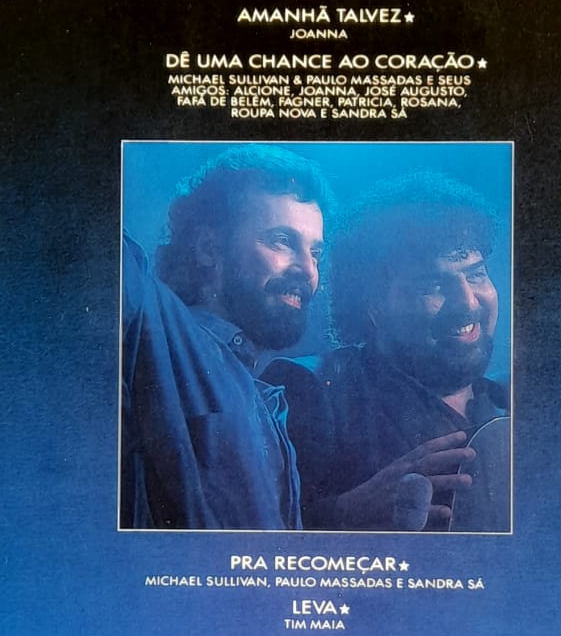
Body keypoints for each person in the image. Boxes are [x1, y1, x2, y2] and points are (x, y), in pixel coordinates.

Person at [264, 172, 509, 532]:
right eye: (432, 285)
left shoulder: (511, 401)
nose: (468, 302)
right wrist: (344, 515)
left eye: (476, 274)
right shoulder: (310, 388)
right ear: (374, 305)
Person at [121, 145, 329, 530]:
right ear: (208, 249)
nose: (308, 270)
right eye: (282, 241)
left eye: (315, 252)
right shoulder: (150, 327)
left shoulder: (265, 398)